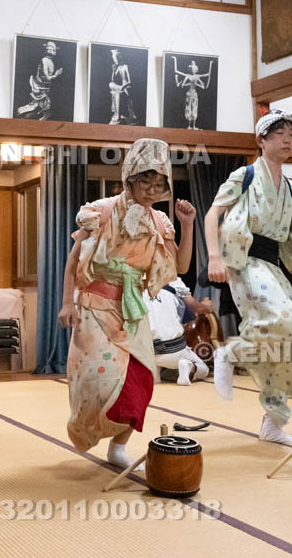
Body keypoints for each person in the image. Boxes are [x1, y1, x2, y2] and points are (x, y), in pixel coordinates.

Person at [57, 139, 195, 470]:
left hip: (132, 312)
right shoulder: (99, 211)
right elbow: (75, 258)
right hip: (94, 307)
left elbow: (181, 267)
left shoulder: (160, 222)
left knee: (141, 380)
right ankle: (87, 429)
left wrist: (187, 225)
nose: (151, 190)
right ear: (128, 178)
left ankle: (118, 447)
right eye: (145, 181)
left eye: (159, 184)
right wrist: (66, 304)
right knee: (99, 379)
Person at [204, 109, 292, 446]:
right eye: (280, 133)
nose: (288, 139)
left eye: (291, 134)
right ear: (262, 140)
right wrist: (214, 257)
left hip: (272, 264)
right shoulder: (243, 175)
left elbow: (291, 236)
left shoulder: (286, 185)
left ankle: (273, 421)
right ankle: (230, 353)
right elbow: (212, 213)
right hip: (244, 261)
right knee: (283, 320)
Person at [145, 278, 211, 385]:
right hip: (174, 350)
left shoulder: (136, 277)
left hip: (146, 353)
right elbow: (195, 308)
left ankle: (155, 373)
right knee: (204, 369)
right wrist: (206, 306)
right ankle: (189, 367)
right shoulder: (174, 280)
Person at [18, 41, 64, 120]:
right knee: (36, 106)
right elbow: (46, 78)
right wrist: (57, 74)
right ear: (47, 49)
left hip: (45, 88)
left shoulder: (50, 61)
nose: (52, 50)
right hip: (40, 89)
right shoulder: (44, 60)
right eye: (50, 48)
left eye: (53, 49)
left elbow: (48, 79)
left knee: (46, 109)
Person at [172, 58, 213, 131]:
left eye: (194, 69)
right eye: (192, 68)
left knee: (194, 108)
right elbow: (176, 71)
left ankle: (193, 126)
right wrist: (175, 60)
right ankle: (189, 126)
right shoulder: (188, 75)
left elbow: (208, 74)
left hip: (194, 94)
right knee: (188, 108)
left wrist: (211, 63)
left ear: (196, 69)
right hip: (189, 94)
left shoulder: (196, 76)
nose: (193, 70)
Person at [108, 49, 134, 125]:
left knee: (118, 93)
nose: (116, 62)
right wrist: (113, 70)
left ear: (120, 58)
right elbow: (113, 80)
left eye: (116, 60)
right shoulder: (118, 67)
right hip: (121, 87)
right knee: (110, 84)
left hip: (127, 87)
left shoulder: (126, 66)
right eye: (115, 60)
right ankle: (117, 115)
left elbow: (130, 82)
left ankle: (118, 115)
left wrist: (123, 86)